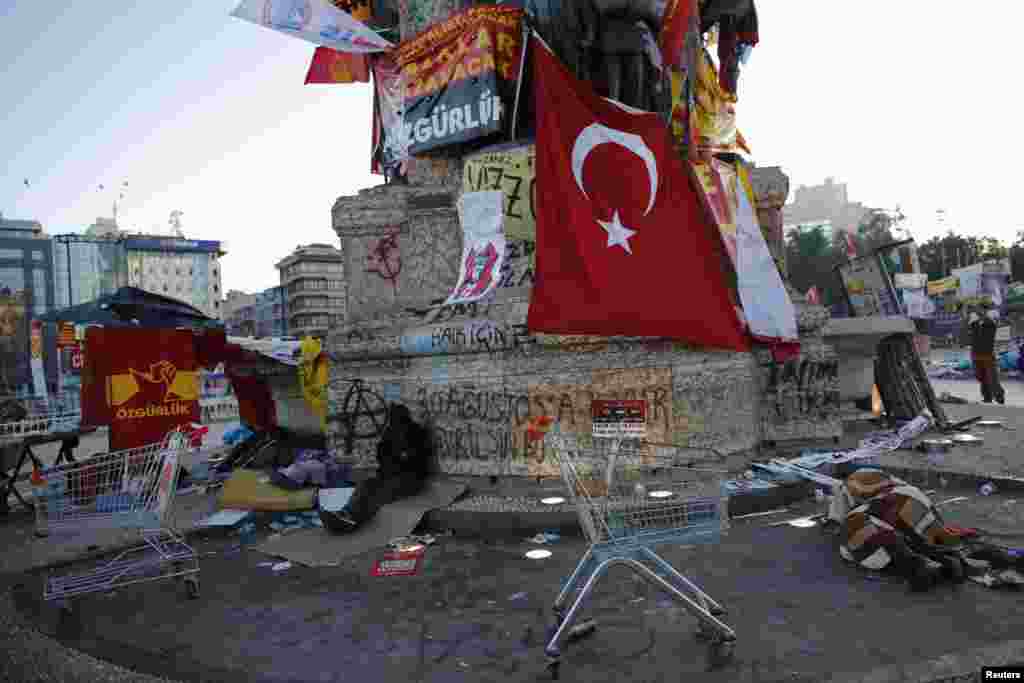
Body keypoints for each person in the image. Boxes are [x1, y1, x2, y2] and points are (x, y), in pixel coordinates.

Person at [323, 404, 433, 531]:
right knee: (367, 484)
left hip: (410, 480)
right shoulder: (390, 433)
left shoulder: (417, 434)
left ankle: (354, 519)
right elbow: (383, 458)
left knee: (377, 496)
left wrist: (401, 457)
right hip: (390, 476)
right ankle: (346, 512)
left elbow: (416, 463)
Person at [968, 308, 1005, 404]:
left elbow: (987, 319)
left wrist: (978, 311)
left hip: (987, 355)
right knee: (981, 377)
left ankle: (998, 396)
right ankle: (987, 396)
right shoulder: (975, 324)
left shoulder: (990, 325)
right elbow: (970, 320)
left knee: (991, 378)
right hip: (976, 354)